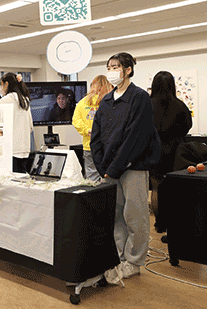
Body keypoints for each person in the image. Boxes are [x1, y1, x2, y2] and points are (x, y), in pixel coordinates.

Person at [91, 52, 161, 280]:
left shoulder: (139, 98)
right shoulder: (107, 101)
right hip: (109, 170)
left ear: (128, 69)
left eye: (116, 67)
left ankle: (134, 261)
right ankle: (118, 256)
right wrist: (102, 167)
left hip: (133, 167)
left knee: (135, 216)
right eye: (109, 67)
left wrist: (115, 167)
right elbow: (96, 136)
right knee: (116, 217)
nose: (111, 71)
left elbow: (136, 138)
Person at [149, 71, 192, 230]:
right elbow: (188, 126)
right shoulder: (180, 105)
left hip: (153, 152)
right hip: (175, 152)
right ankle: (173, 226)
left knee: (156, 188)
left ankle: (159, 224)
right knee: (174, 191)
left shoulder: (147, 105)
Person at [72, 75, 113, 182]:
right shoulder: (110, 101)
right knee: (108, 177)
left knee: (92, 177)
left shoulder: (82, 102)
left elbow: (76, 121)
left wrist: (87, 130)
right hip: (107, 146)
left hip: (89, 145)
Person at [0, 73, 33, 173]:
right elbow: (30, 126)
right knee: (22, 178)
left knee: (10, 179)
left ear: (6, 84)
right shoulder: (25, 100)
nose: (1, 88)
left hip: (10, 149)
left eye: (1, 85)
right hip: (25, 148)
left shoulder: (5, 100)